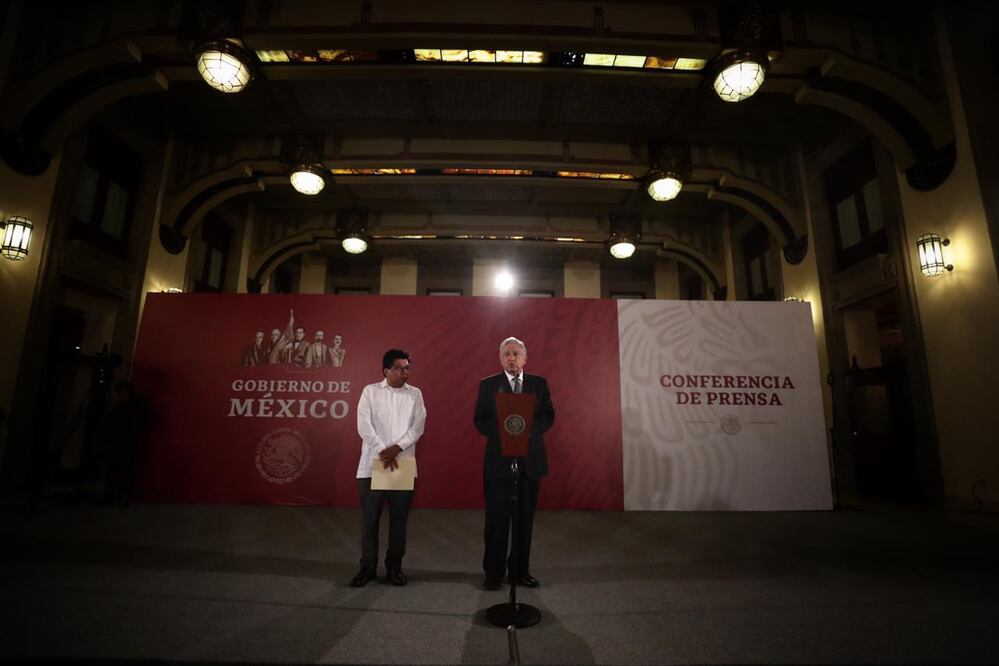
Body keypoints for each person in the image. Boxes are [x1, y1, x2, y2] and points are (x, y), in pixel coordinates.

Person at [473, 336, 555, 591]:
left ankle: (520, 571)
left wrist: (528, 430)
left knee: (524, 520)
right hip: (499, 462)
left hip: (530, 461)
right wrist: (506, 434)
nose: (511, 358)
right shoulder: (488, 385)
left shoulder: (539, 384)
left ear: (525, 358)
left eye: (516, 353)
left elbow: (548, 416)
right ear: (500, 358)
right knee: (497, 520)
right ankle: (494, 573)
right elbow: (480, 420)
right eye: (507, 354)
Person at [351, 349, 427, 587]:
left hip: (402, 463)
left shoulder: (415, 394)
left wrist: (397, 448)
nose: (405, 372)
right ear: (386, 370)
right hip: (372, 464)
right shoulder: (370, 392)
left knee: (399, 520)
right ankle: (368, 567)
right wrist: (384, 451)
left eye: (407, 368)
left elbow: (418, 427)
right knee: (370, 520)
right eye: (399, 368)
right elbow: (364, 425)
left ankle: (394, 567)